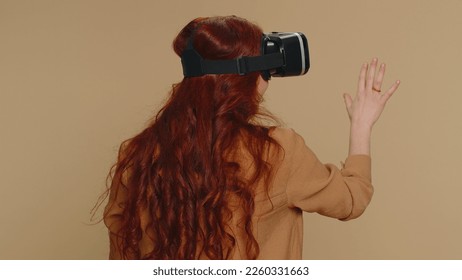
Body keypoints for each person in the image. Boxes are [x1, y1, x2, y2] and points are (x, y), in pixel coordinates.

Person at [102, 15, 400, 260]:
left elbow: (121, 243)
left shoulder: (137, 154)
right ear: (249, 79)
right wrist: (361, 125)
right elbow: (351, 199)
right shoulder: (277, 151)